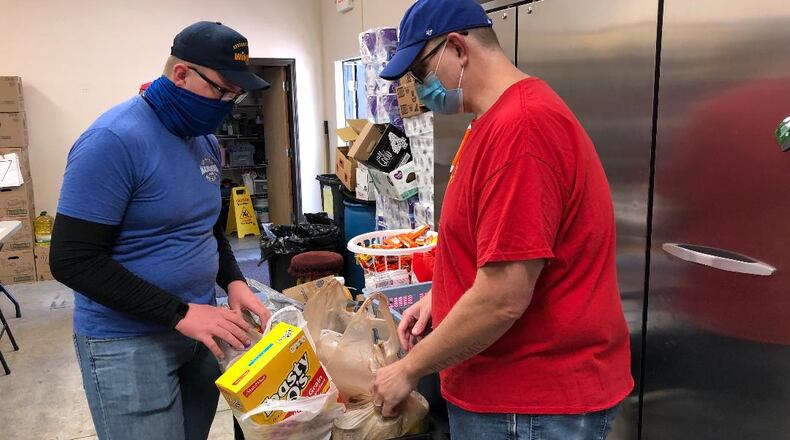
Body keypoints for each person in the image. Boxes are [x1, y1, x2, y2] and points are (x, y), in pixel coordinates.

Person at [371, 1, 634, 439]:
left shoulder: (522, 129)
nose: (419, 90)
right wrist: (443, 297)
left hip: (530, 405)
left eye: (420, 72)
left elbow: (502, 298)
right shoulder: (491, 122)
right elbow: (495, 246)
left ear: (457, 47)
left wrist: (408, 369)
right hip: (506, 392)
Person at [50, 21, 272, 440]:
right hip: (128, 344)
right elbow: (72, 260)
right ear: (181, 74)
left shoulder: (203, 139)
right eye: (221, 90)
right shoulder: (112, 141)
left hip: (201, 332)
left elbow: (203, 226)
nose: (228, 103)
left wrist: (234, 281)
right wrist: (180, 313)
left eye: (235, 94)